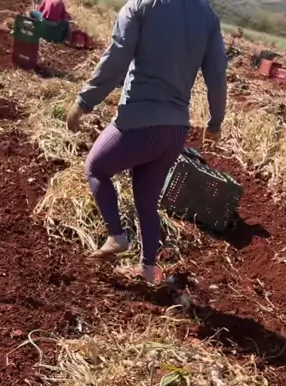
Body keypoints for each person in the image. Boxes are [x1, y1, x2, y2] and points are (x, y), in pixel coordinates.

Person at [66, 0, 227, 284]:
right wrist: (215, 122)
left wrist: (84, 100)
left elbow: (117, 56)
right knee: (147, 201)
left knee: (96, 167)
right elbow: (217, 75)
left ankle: (116, 236)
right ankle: (149, 268)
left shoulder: (141, 5)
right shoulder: (207, 16)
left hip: (139, 121)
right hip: (175, 130)